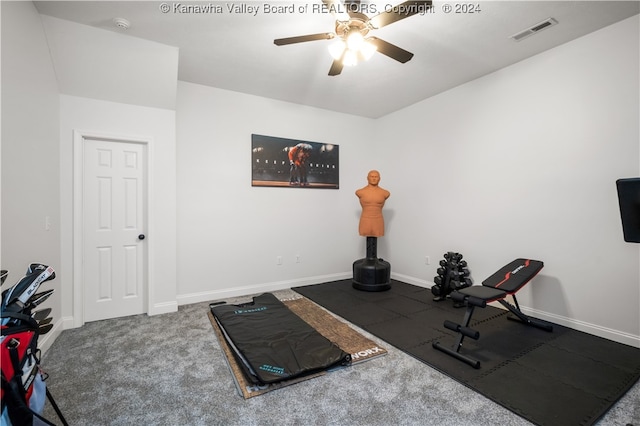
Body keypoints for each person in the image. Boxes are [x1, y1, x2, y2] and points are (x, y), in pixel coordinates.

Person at [356, 170, 390, 237]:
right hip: (365, 220)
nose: (374, 178)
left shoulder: (385, 193)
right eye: (371, 176)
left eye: (376, 177)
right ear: (367, 178)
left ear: (379, 178)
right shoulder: (360, 192)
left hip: (378, 220)